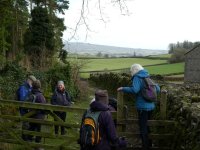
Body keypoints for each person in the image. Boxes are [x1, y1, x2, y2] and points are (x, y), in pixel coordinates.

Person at [117, 64, 160, 150]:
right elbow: (158, 89)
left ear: (134, 70)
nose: (130, 73)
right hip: (151, 106)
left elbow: (135, 89)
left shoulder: (137, 77)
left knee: (143, 128)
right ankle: (150, 145)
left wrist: (123, 88)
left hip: (142, 108)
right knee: (148, 126)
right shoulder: (147, 76)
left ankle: (145, 146)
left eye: (131, 71)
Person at [27, 79, 46, 145]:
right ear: (39, 86)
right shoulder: (40, 96)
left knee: (31, 128)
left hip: (30, 115)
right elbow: (44, 107)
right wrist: (46, 112)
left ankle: (28, 141)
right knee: (39, 130)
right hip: (39, 116)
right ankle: (38, 144)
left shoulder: (30, 93)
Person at [17, 75, 37, 140]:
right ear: (29, 80)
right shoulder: (23, 88)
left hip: (29, 108)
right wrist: (29, 93)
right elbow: (22, 99)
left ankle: (28, 137)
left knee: (29, 123)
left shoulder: (30, 87)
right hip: (23, 109)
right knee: (25, 123)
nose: (33, 83)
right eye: (32, 82)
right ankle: (24, 138)